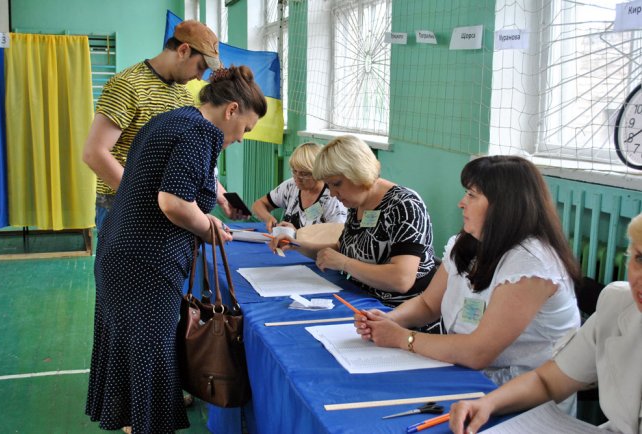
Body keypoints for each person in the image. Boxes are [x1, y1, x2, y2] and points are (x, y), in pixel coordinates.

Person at [85, 66, 267, 434]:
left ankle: (139, 422)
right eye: (246, 129)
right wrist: (209, 226)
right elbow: (172, 202)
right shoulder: (202, 132)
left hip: (121, 250)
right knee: (150, 350)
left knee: (138, 349)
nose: (242, 138)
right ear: (231, 110)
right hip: (146, 261)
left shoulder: (171, 119)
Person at [354, 156, 582, 386]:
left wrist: (403, 338)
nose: (461, 203)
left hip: (520, 394)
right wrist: (388, 320)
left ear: (503, 205)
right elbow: (428, 305)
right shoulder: (466, 243)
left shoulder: (531, 264)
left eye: (472, 195)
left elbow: (478, 352)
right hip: (465, 373)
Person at [449, 212, 642, 434]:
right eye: (640, 258)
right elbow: (547, 381)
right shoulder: (616, 305)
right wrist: (487, 404)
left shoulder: (532, 262)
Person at [82, 19, 238, 231]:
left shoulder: (184, 97)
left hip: (164, 204)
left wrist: (222, 195)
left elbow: (187, 156)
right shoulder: (127, 85)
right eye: (200, 66)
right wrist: (144, 198)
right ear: (183, 50)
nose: (200, 76)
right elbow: (94, 152)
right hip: (123, 202)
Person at [270, 135, 437, 307]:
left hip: (398, 311)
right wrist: (297, 245)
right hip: (361, 299)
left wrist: (345, 263)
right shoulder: (357, 203)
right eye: (329, 186)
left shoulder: (404, 205)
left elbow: (401, 279)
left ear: (358, 172)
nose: (333, 194)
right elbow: (340, 250)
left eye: (336, 184)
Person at [251, 142, 347, 232]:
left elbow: (335, 238)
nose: (297, 178)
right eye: (294, 171)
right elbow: (259, 204)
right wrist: (269, 218)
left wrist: (297, 234)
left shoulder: (332, 198)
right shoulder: (291, 186)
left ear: (318, 172)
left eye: (304, 174)